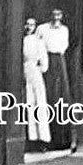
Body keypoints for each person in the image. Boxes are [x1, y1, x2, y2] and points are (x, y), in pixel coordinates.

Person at [36, 9, 73, 148]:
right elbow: (37, 44)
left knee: (61, 97)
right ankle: (45, 140)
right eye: (54, 15)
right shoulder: (42, 29)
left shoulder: (64, 30)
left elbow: (64, 46)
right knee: (47, 95)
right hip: (46, 60)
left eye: (59, 15)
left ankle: (61, 140)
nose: (56, 18)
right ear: (50, 16)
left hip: (59, 61)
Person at [22, 17, 52, 149]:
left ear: (35, 27)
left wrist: (38, 68)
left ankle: (42, 138)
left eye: (32, 25)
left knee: (39, 103)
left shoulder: (38, 42)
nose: (29, 27)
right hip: (24, 72)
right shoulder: (22, 41)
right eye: (27, 25)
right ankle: (31, 137)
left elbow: (44, 62)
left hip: (35, 72)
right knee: (28, 103)